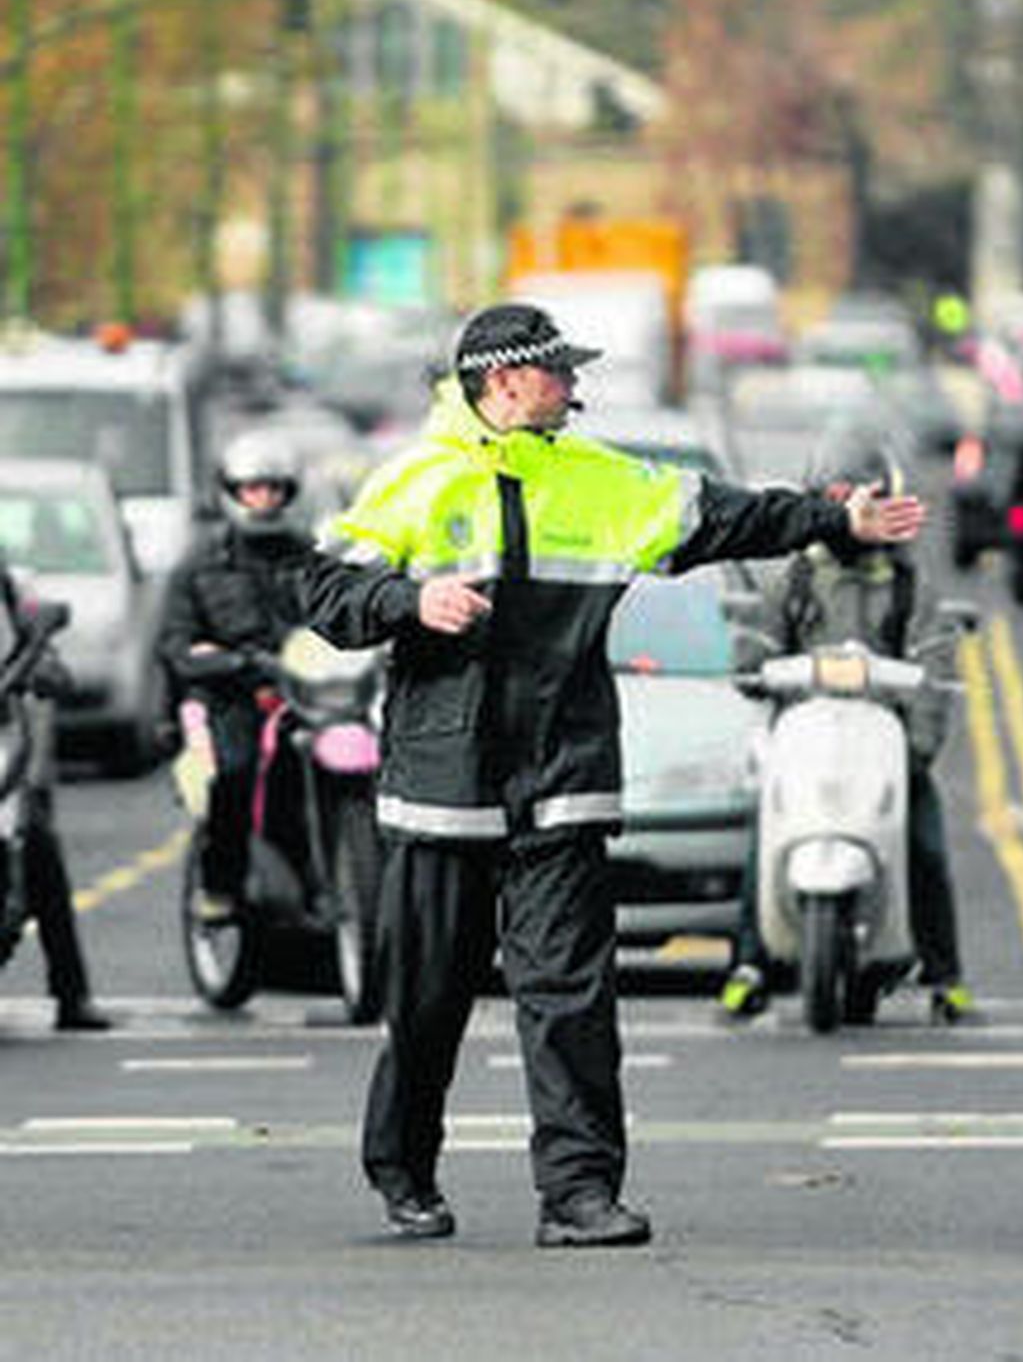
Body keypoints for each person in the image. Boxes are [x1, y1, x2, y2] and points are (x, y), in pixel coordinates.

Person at [297, 302, 925, 1248]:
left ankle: (579, 1194)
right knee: (427, 999)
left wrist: (832, 516)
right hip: (443, 785)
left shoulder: (600, 479)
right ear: (501, 382)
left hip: (563, 776)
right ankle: (404, 1170)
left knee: (570, 996)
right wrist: (410, 598)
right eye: (556, 372)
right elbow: (326, 594)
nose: (573, 387)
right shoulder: (417, 481)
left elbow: (723, 514)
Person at [719, 427, 973, 1025]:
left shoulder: (911, 587)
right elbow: (751, 655)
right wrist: (757, 670)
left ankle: (945, 974)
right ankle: (749, 962)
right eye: (840, 502)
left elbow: (936, 665)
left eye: (869, 501)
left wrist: (918, 748)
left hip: (886, 748)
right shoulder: (794, 579)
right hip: (805, 748)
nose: (856, 516)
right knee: (764, 836)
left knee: (926, 843)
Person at [159, 429, 312, 923]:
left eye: (273, 488)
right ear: (232, 492)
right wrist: (235, 663)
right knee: (235, 774)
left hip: (310, 696)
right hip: (232, 699)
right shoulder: (199, 564)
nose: (263, 499)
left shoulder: (313, 555)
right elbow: (178, 647)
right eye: (252, 488)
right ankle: (220, 886)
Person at [2, 562, 111, 1031]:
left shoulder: (10, 587)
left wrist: (39, 668)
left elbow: (48, 664)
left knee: (41, 849)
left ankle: (72, 994)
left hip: (4, 740)